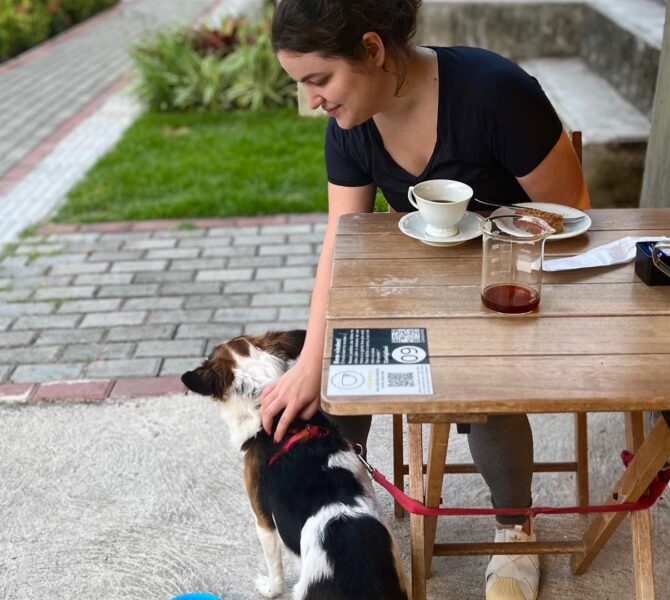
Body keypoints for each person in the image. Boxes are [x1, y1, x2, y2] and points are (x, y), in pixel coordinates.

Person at [260, 1, 589, 599]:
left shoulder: (495, 93)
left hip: (513, 291)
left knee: (483, 394)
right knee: (338, 373)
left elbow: (572, 214)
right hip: (416, 291)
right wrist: (313, 363)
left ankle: (514, 532)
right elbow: (342, 246)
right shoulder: (351, 129)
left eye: (318, 79)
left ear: (372, 49)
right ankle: (349, 519)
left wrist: (489, 250)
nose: (313, 102)